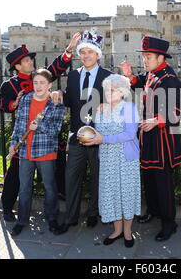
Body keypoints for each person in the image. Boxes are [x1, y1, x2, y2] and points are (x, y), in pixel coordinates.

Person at [0, 33, 80, 222]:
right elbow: (1, 104)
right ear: (17, 66)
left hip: (46, 135)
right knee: (16, 175)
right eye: (27, 60)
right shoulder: (9, 84)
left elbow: (56, 68)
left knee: (56, 169)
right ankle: (8, 207)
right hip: (24, 136)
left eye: (30, 59)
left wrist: (69, 49)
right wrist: (14, 104)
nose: (31, 61)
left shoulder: (40, 77)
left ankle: (59, 204)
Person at [119, 36, 181, 242]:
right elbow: (141, 83)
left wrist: (157, 120)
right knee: (149, 178)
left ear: (160, 57)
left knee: (162, 182)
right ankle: (154, 211)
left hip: (163, 139)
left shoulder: (170, 78)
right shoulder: (152, 74)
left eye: (148, 57)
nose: (144, 60)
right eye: (144, 56)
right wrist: (130, 76)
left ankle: (169, 223)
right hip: (148, 136)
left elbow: (178, 112)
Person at [55, 29, 113, 235]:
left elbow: (120, 104)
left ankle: (92, 214)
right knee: (72, 178)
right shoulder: (72, 75)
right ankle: (70, 218)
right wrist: (59, 93)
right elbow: (70, 101)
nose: (86, 55)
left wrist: (110, 107)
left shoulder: (109, 77)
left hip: (98, 136)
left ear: (98, 54)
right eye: (83, 52)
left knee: (98, 177)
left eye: (90, 52)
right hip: (76, 136)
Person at [81, 74, 141, 248]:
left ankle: (128, 232)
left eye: (112, 90)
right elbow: (98, 133)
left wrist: (103, 139)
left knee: (127, 195)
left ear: (122, 91)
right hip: (107, 160)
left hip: (126, 160)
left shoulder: (129, 108)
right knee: (111, 195)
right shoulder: (101, 109)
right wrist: (88, 137)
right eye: (106, 89)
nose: (108, 92)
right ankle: (117, 230)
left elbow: (130, 134)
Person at [8, 69, 66, 236]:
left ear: (49, 85)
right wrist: (13, 144)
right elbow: (19, 125)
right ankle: (22, 220)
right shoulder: (26, 100)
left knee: (50, 186)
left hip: (45, 151)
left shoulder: (56, 102)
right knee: (24, 186)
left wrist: (38, 126)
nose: (38, 86)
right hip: (26, 151)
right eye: (36, 82)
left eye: (42, 82)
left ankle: (52, 218)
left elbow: (55, 130)